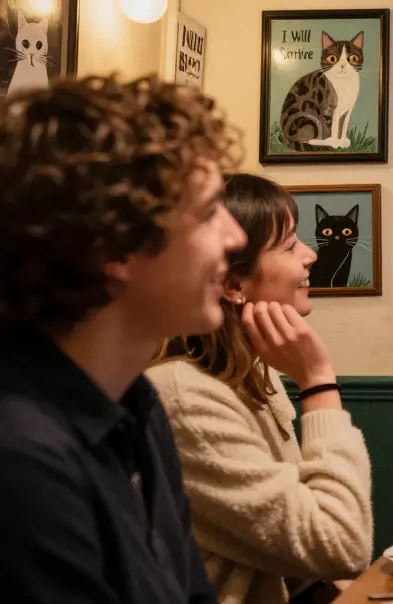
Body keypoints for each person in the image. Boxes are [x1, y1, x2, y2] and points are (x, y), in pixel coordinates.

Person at [0, 75, 246, 602]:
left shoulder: (137, 404)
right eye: (208, 213)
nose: (236, 236)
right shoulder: (21, 458)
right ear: (115, 243)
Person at [150, 173, 373, 604]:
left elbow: (312, 558)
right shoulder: (184, 396)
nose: (309, 255)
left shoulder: (255, 371)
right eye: (290, 245)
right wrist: (318, 382)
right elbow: (340, 546)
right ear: (233, 285)